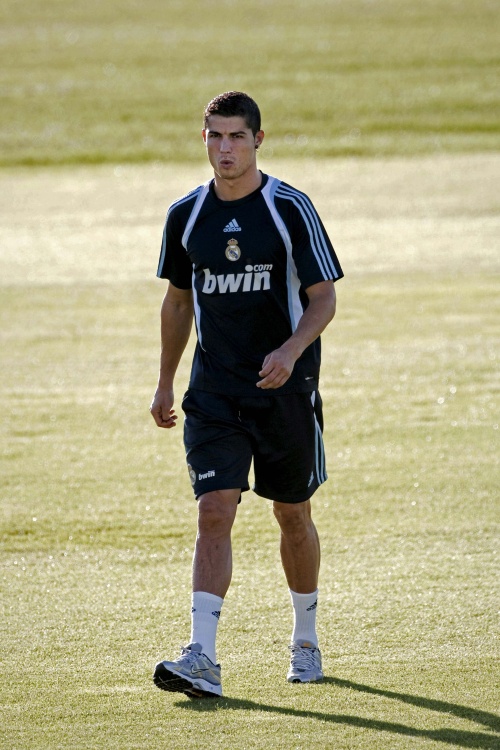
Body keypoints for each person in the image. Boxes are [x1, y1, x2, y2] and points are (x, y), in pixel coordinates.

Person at [150, 91, 343, 698]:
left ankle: (305, 639)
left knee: (292, 515)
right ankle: (202, 656)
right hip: (215, 393)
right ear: (203, 139)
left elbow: (323, 298)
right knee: (214, 509)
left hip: (285, 391)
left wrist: (290, 351)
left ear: (258, 139)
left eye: (236, 136)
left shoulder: (289, 208)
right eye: (215, 136)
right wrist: (165, 380)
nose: (225, 148)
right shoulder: (187, 215)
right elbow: (178, 301)